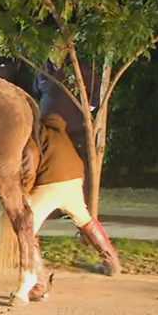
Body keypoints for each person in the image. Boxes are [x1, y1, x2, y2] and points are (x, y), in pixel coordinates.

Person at [27, 113, 121, 300]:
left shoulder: (36, 134)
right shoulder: (62, 134)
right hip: (74, 179)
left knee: (25, 227)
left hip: (50, 183)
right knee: (84, 220)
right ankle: (112, 263)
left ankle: (39, 282)